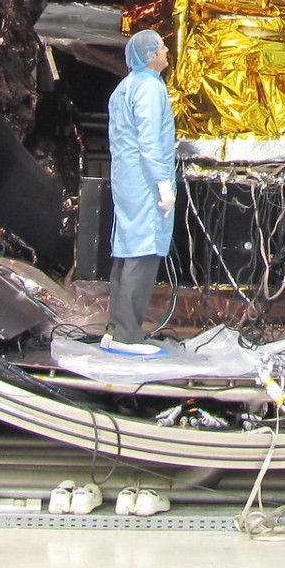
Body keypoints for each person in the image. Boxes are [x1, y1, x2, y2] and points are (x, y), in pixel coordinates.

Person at [103, 29, 176, 357]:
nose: (165, 50)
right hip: (146, 181)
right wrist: (163, 183)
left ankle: (116, 329)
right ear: (148, 56)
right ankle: (128, 337)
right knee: (143, 252)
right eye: (160, 47)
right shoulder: (148, 88)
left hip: (127, 179)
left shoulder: (125, 87)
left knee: (127, 249)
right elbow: (149, 141)